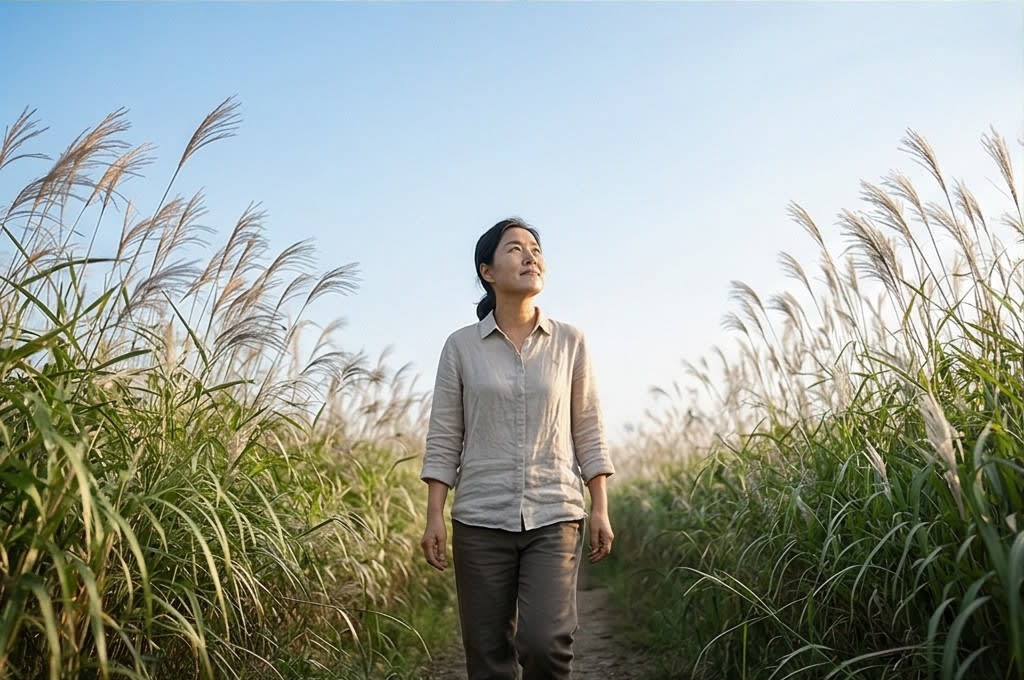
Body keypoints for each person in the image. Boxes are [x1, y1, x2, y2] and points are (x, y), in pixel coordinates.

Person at [419, 217, 615, 680]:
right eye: (515, 249)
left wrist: (600, 504)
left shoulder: (571, 342)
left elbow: (588, 427)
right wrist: (434, 515)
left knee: (546, 644)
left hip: (555, 513)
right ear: (487, 271)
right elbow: (445, 434)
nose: (530, 256)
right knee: (487, 654)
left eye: (535, 248)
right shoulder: (461, 347)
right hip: (479, 518)